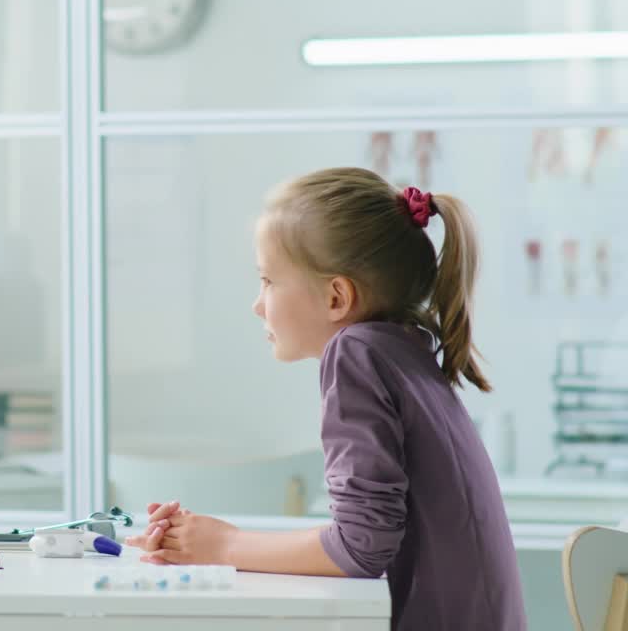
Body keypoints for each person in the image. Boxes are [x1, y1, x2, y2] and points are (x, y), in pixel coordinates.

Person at [127, 167, 526, 630]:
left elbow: (360, 546)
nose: (258, 304)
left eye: (268, 280)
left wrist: (223, 545)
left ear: (337, 296)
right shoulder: (401, 349)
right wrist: (207, 539)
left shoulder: (355, 353)